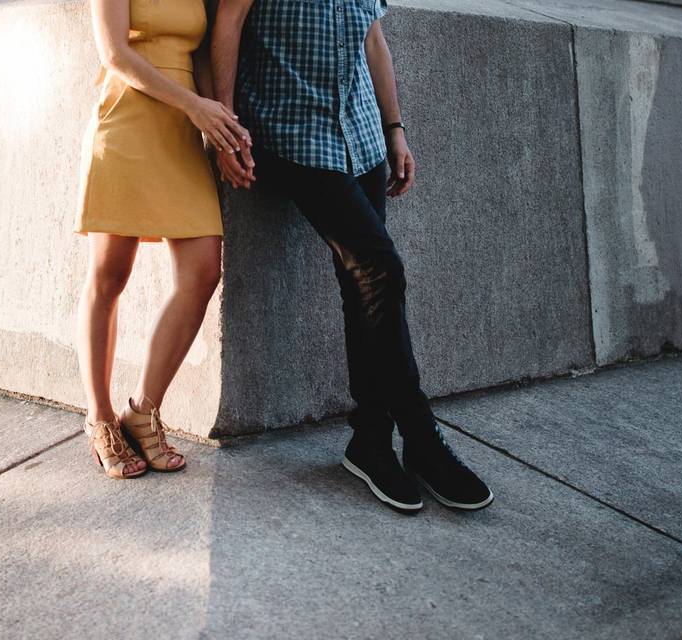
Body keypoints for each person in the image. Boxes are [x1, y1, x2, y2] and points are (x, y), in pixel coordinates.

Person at [211, 0, 493, 511]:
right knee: (381, 269)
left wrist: (394, 129)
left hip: (360, 135)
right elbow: (228, 20)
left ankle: (371, 439)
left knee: (363, 281)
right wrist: (226, 130)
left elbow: (372, 38)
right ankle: (421, 435)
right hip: (294, 132)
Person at [74, 0, 250, 479]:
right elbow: (115, 54)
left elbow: (199, 56)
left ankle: (142, 409)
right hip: (127, 120)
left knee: (202, 271)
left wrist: (222, 135)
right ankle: (100, 417)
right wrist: (196, 107)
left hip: (182, 132)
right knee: (109, 276)